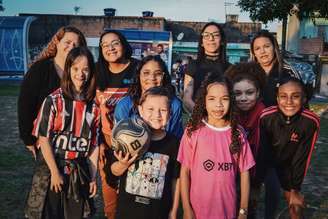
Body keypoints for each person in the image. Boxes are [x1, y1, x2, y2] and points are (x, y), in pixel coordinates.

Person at [24, 47, 100, 219]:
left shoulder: (94, 108)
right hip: (53, 168)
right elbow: (44, 140)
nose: (80, 74)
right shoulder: (53, 100)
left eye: (85, 69)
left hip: (78, 171)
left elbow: (94, 145)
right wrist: (55, 172)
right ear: (68, 70)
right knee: (49, 213)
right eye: (75, 68)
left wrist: (93, 177)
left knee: (75, 214)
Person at [178, 73, 255, 219]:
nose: (218, 105)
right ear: (203, 102)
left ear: (231, 101)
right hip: (198, 210)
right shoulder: (193, 131)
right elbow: (185, 172)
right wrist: (187, 208)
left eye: (224, 99)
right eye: (212, 99)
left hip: (228, 210)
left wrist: (243, 210)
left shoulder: (237, 133)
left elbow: (245, 173)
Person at [250, 30, 302, 218]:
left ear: (274, 47)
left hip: (280, 138)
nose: (263, 52)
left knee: (275, 186)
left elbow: (301, 105)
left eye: (266, 46)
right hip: (253, 136)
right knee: (252, 183)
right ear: (253, 52)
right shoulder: (249, 72)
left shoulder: (288, 72)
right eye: (258, 48)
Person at [111, 86, 180, 219]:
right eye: (150, 109)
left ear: (170, 113)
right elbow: (114, 170)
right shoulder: (127, 137)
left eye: (163, 110)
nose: (157, 115)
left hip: (158, 212)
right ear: (140, 110)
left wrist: (174, 210)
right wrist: (123, 164)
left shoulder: (174, 143)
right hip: (128, 211)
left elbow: (175, 180)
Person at [18, 26, 86, 160]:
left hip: (73, 141)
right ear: (57, 42)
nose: (71, 46)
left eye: (75, 44)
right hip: (45, 140)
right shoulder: (40, 69)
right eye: (67, 42)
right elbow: (25, 105)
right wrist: (29, 139)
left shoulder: (80, 72)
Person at [256, 77, 320, 219]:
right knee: (268, 193)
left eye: (295, 96)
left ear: (303, 99)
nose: (289, 102)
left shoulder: (310, 121)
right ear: (277, 99)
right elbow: (262, 152)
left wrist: (295, 189)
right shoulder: (266, 117)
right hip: (270, 162)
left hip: (290, 164)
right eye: (283, 96)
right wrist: (257, 180)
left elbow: (303, 156)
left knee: (295, 204)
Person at [96, 29, 139, 219]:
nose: (110, 48)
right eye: (104, 45)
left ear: (123, 44)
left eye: (114, 43)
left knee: (134, 195)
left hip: (135, 143)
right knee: (110, 196)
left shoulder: (138, 68)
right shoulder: (97, 71)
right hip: (105, 143)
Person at [225, 62, 267, 219]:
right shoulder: (226, 113)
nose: (243, 98)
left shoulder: (265, 116)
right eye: (237, 93)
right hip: (228, 174)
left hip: (254, 175)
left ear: (258, 93)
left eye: (249, 93)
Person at [114, 55, 183, 139]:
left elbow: (175, 139)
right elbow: (120, 138)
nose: (152, 78)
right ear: (138, 75)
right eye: (146, 73)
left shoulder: (174, 104)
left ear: (163, 76)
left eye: (157, 73)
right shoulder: (124, 105)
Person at [183, 22, 231, 113]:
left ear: (222, 41)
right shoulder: (193, 65)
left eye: (215, 35)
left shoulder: (230, 68)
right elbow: (187, 99)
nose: (211, 39)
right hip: (199, 120)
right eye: (206, 35)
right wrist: (203, 118)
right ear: (201, 42)